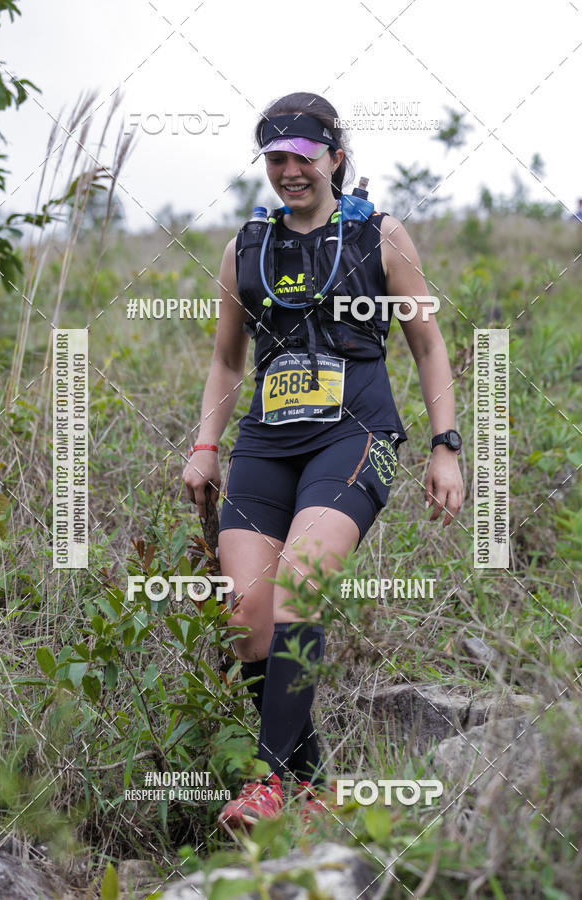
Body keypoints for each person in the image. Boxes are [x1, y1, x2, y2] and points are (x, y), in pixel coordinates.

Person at [182, 92, 464, 832]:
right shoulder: (245, 246)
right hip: (267, 443)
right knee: (247, 613)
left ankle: (268, 785)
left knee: (301, 582)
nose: (288, 172)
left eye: (302, 158)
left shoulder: (381, 236)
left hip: (355, 436)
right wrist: (205, 447)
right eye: (274, 159)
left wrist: (446, 445)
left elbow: (428, 346)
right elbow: (224, 360)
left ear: (334, 157)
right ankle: (309, 786)